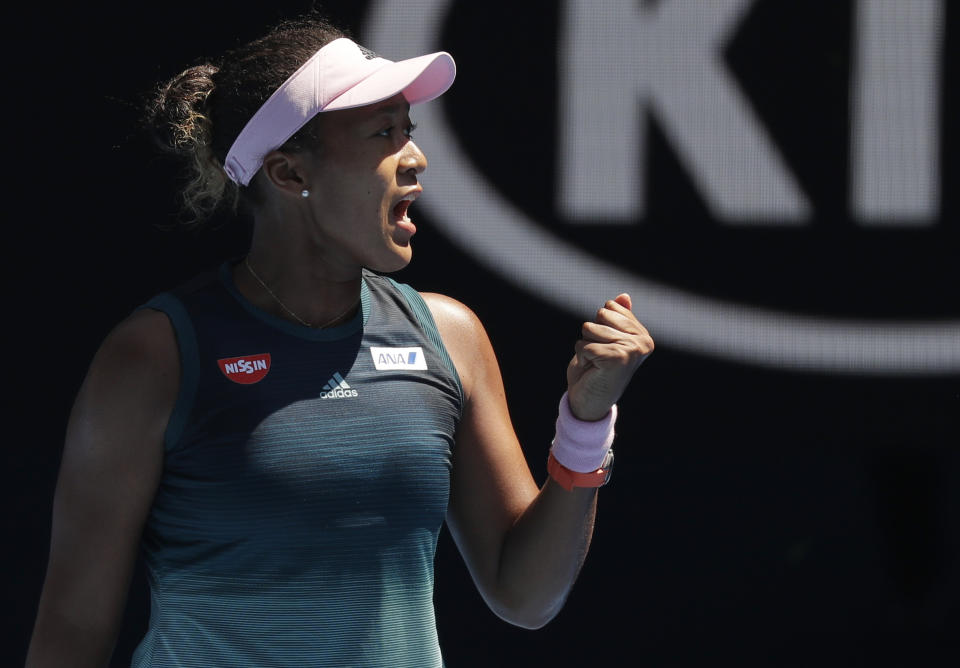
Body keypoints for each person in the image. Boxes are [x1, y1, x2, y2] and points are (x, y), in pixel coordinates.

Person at [26, 14, 653, 667]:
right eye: (383, 133)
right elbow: (71, 633)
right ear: (290, 175)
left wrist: (586, 419)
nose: (415, 157)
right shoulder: (154, 356)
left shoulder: (450, 336)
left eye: (408, 130)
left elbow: (525, 596)